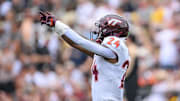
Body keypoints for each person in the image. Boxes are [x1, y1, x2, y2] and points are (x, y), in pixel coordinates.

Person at [39, 11, 130, 101]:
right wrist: (56, 28)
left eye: (103, 29)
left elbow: (80, 42)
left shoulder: (118, 45)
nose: (100, 32)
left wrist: (57, 24)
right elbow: (76, 44)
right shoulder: (107, 53)